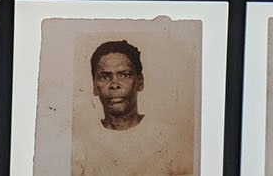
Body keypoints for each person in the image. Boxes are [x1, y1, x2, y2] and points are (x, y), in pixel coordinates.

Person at [70, 40, 192, 176]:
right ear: (94, 86)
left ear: (140, 82)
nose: (114, 84)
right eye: (104, 77)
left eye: (124, 75)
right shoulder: (79, 146)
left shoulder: (169, 139)